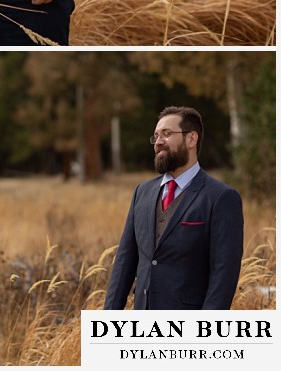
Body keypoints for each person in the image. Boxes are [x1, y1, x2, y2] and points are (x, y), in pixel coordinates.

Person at [104, 105, 244, 310]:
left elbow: (224, 276)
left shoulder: (221, 198)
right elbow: (124, 263)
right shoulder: (141, 193)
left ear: (191, 139)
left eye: (167, 134)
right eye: (156, 136)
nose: (158, 142)